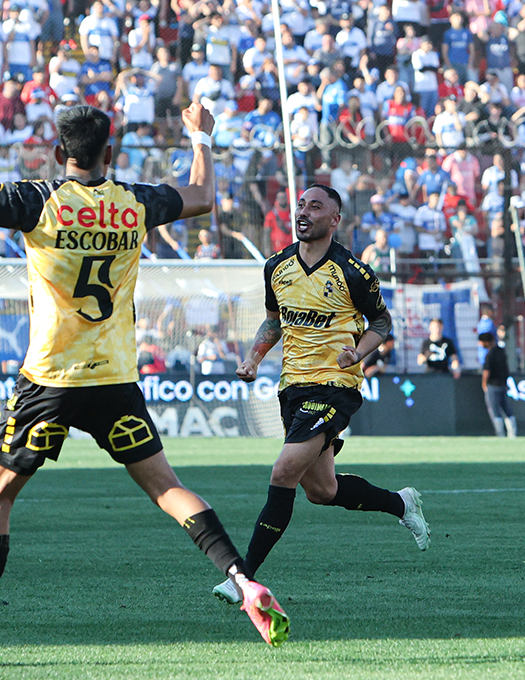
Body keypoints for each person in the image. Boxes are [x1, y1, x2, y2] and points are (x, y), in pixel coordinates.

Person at [0, 96, 289, 664]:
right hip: (115, 377)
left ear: (58, 152)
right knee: (165, 487)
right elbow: (203, 198)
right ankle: (241, 578)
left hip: (52, 379)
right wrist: (201, 138)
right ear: (109, 152)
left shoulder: (38, 200)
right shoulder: (134, 202)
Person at [211, 184, 430, 605]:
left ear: (335, 219)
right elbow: (274, 322)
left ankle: (243, 577)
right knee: (322, 491)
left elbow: (381, 323)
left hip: (335, 385)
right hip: (292, 386)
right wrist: (254, 358)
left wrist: (358, 352)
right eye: (300, 205)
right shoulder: (276, 266)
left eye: (315, 206)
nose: (303, 212)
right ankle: (401, 504)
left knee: (283, 472)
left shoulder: (352, 271)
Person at [480, 332, 516, 438]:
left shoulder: (490, 354)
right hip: (503, 385)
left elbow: (486, 371)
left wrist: (484, 383)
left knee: (495, 410)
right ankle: (512, 433)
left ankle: (500, 433)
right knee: (506, 409)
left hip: (492, 385)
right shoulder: (501, 352)